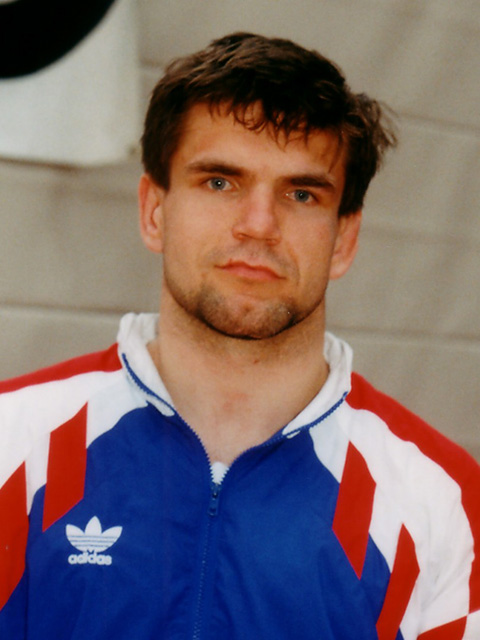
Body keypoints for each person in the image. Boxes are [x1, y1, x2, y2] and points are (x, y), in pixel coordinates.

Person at [0, 32, 479, 640]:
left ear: (345, 239)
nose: (259, 225)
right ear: (154, 210)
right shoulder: (10, 443)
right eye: (220, 182)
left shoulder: (444, 501)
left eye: (301, 194)